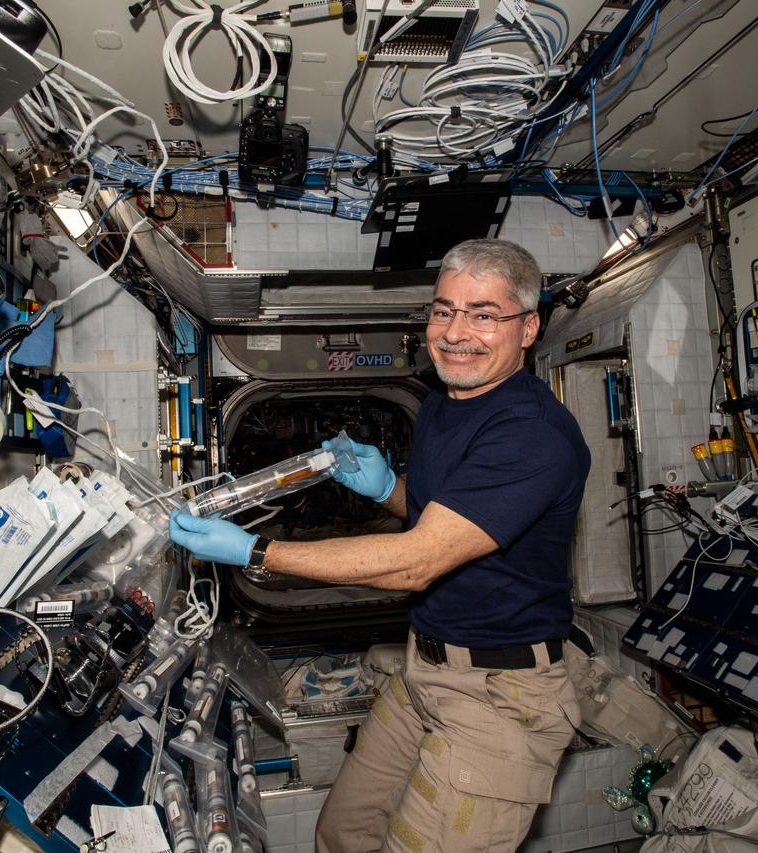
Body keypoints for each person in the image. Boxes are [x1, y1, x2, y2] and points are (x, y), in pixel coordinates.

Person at [169, 238, 591, 852]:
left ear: (528, 329)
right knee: (342, 835)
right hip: (426, 668)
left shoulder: (532, 432)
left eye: (483, 314)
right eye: (444, 310)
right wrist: (389, 487)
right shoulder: (449, 405)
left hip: (500, 696)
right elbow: (448, 519)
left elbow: (419, 561)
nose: (455, 332)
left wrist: (257, 554)